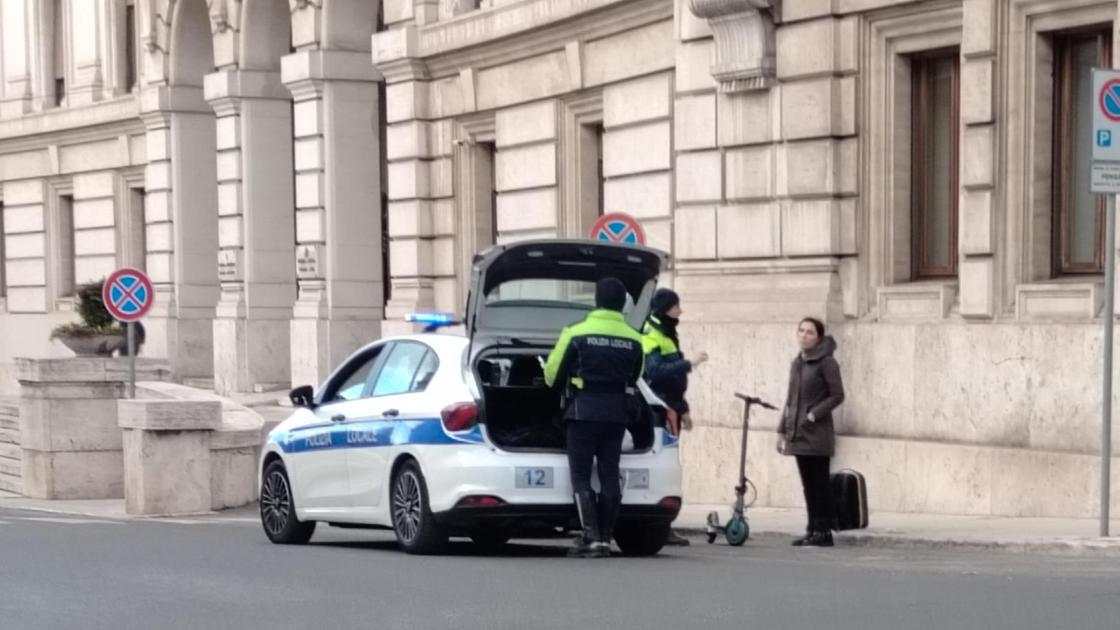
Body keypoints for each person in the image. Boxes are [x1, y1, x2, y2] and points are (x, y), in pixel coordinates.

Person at [545, 278, 644, 558]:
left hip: (583, 412)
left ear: (596, 300)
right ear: (623, 303)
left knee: (580, 474)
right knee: (609, 472)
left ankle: (590, 537)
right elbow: (635, 378)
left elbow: (552, 376)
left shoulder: (576, 333)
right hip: (616, 415)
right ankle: (606, 539)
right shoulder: (635, 338)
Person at [641, 288, 707, 546]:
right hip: (659, 410)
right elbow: (656, 373)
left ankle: (663, 524)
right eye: (676, 306)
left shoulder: (667, 332)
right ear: (664, 308)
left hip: (671, 408)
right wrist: (689, 363)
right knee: (663, 465)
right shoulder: (652, 334)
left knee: (668, 465)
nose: (680, 311)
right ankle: (659, 525)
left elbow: (674, 383)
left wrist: (684, 409)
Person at [776, 317, 845, 547]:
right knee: (808, 484)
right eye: (801, 331)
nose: (804, 335)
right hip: (797, 432)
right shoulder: (797, 363)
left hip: (817, 433)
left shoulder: (826, 362)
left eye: (810, 332)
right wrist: (781, 430)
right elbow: (790, 399)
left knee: (820, 483)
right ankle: (812, 528)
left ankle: (824, 531)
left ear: (819, 337)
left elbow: (837, 395)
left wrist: (814, 414)